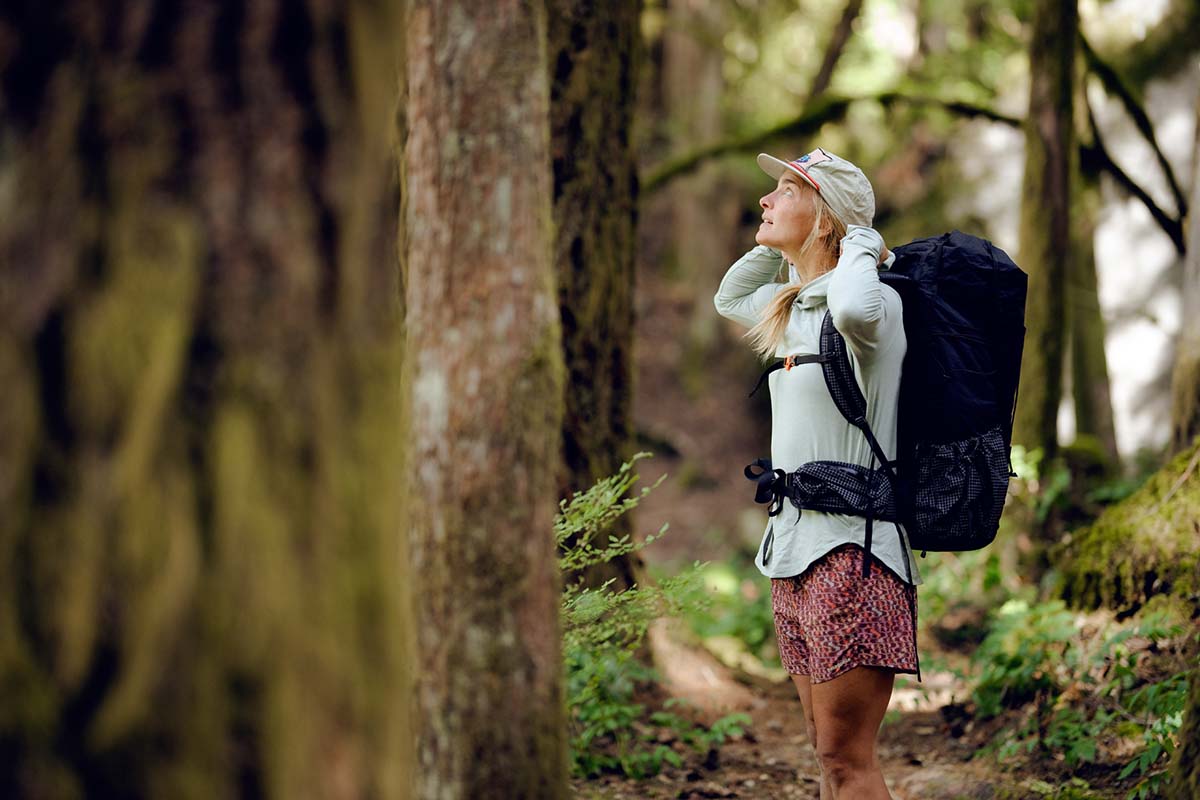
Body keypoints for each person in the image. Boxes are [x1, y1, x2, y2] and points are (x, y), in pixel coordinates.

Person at [713, 147, 922, 800]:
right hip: (794, 553)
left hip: (854, 555)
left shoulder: (872, 303)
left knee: (844, 756)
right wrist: (789, 253)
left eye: (785, 190)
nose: (765, 201)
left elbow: (856, 312)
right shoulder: (794, 308)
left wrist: (859, 241)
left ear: (825, 217)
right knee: (823, 749)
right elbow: (730, 296)